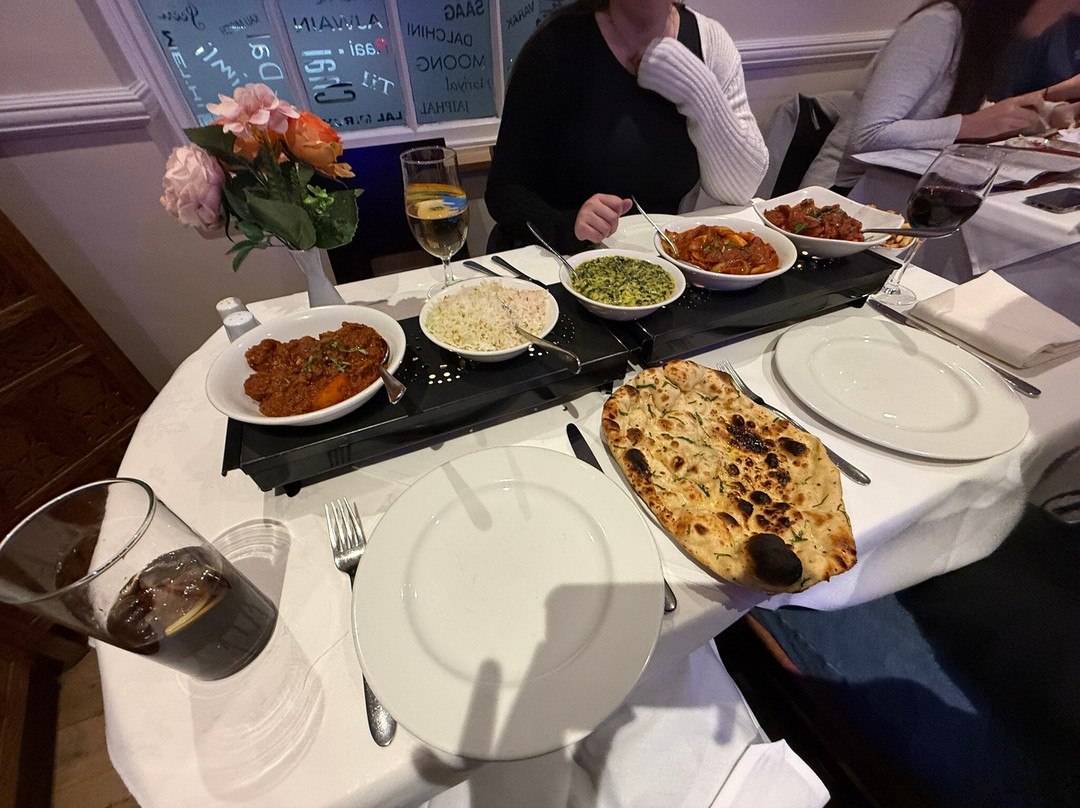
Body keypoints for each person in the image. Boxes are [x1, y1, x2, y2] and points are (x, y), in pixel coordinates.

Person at [484, 0, 768, 254]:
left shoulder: (710, 41)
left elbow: (740, 189)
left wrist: (698, 90)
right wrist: (567, 226)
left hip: (669, 262)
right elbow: (504, 188)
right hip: (565, 262)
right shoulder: (556, 46)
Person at [803, 0, 1080, 192]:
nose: (1070, 7)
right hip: (843, 195)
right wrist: (971, 124)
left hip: (900, 188)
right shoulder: (939, 23)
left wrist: (1045, 112)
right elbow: (867, 137)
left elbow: (951, 108)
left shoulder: (982, 35)